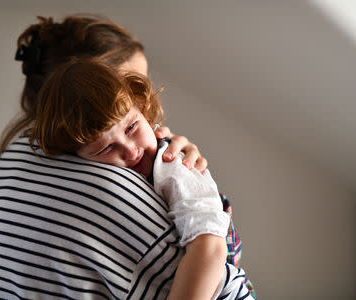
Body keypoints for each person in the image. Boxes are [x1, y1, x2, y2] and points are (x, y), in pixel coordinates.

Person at [0, 15, 253, 299]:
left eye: (138, 88)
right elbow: (217, 271)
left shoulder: (0, 173)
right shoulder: (98, 187)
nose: (145, 100)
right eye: (124, 83)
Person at [28, 57, 254, 299]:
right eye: (106, 148)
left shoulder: (172, 166)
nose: (130, 150)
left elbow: (209, 248)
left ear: (143, 109)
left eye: (131, 128)